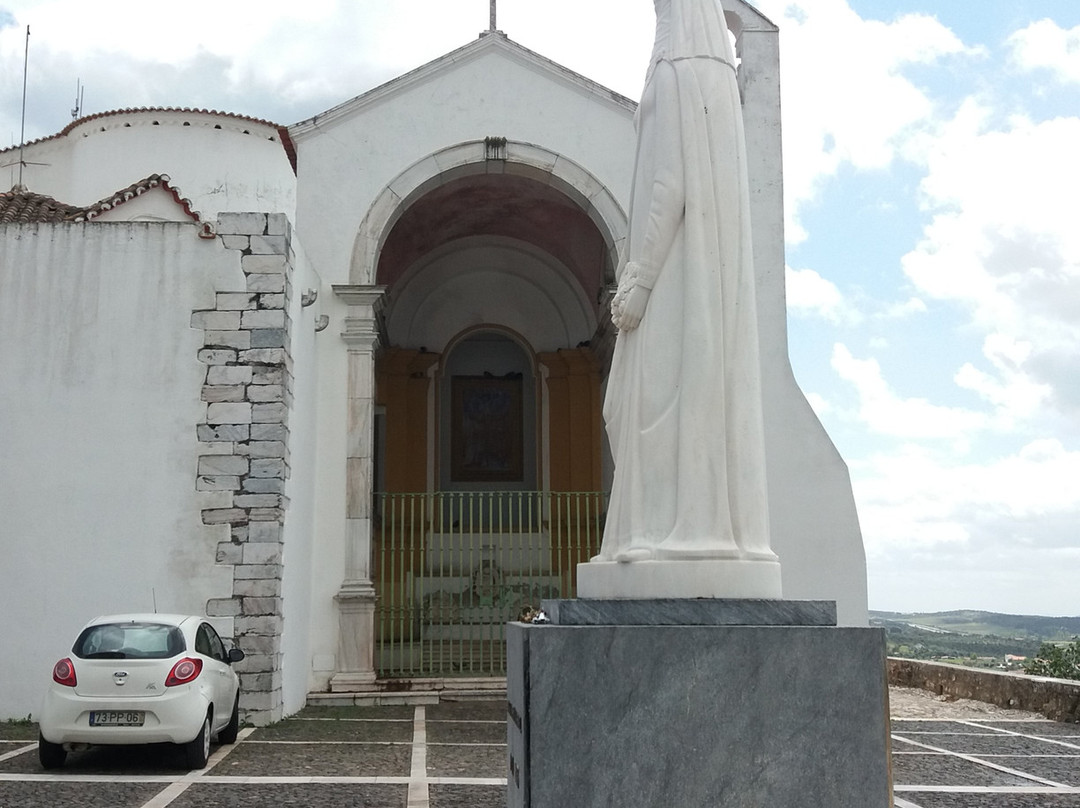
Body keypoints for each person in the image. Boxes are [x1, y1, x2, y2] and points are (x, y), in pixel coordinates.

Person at [595, 0, 776, 567]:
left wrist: (639, 282)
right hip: (697, 277)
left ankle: (653, 536)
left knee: (642, 404)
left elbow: (668, 185)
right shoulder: (716, 80)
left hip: (670, 278)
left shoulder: (676, 72)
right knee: (643, 403)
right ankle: (656, 533)